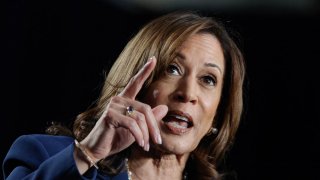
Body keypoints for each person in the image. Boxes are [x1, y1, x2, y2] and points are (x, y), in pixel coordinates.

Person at [3, 11, 245, 180]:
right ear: (137, 81)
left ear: (219, 113)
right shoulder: (46, 155)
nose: (188, 93)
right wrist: (87, 154)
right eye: (172, 69)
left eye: (208, 79)